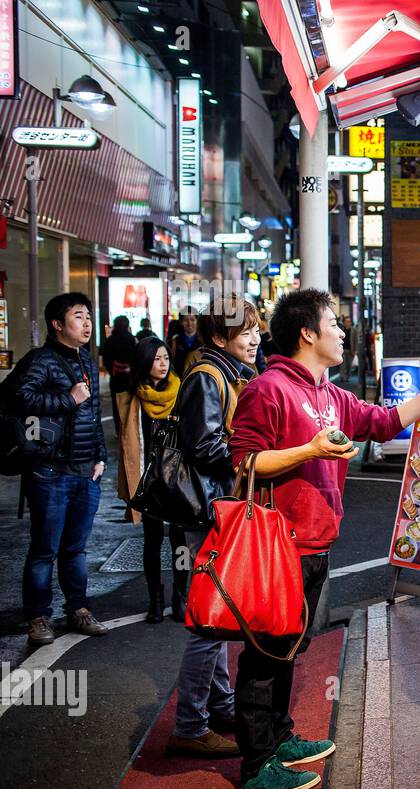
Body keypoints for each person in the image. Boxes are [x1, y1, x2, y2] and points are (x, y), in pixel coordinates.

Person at [227, 288, 420, 789]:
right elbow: (242, 463)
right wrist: (307, 449)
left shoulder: (329, 394)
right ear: (307, 332)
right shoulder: (269, 389)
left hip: (313, 544)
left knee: (289, 646)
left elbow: (384, 421)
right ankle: (257, 765)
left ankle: (279, 738)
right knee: (264, 653)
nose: (342, 330)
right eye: (333, 322)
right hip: (275, 546)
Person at [164, 296, 260, 758]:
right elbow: (206, 447)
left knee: (219, 617)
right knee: (208, 623)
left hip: (216, 509)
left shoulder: (227, 371)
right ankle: (190, 726)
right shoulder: (208, 375)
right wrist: (252, 459)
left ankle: (219, 708)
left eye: (257, 330)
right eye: (246, 332)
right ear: (220, 338)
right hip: (208, 511)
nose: (255, 339)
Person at [17, 293, 110, 645]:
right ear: (58, 324)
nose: (86, 324)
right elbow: (19, 398)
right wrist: (67, 399)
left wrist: (100, 456)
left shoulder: (85, 359)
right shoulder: (40, 360)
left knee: (76, 548)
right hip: (50, 471)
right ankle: (38, 618)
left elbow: (92, 414)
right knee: (44, 549)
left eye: (88, 317)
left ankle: (79, 609)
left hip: (85, 471)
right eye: (78, 316)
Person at [117, 336, 187, 623]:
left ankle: (180, 596)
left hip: (178, 478)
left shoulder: (181, 392)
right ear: (144, 362)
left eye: (166, 358)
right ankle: (155, 601)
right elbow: (124, 441)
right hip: (148, 481)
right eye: (157, 358)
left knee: (180, 540)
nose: (163, 364)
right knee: (152, 540)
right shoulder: (132, 397)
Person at [101, 315, 137, 438]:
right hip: (130, 378)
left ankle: (118, 429)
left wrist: (112, 371)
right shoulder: (132, 339)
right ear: (127, 326)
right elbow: (137, 358)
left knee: (116, 404)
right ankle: (129, 428)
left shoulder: (110, 340)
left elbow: (106, 359)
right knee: (130, 403)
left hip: (116, 377)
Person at [169, 308, 203, 372]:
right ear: (181, 322)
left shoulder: (203, 340)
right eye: (186, 320)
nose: (189, 323)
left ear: (197, 321)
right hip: (179, 379)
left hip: (198, 377)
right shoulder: (175, 341)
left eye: (192, 320)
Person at [339, 316, 354, 385]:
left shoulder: (354, 330)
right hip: (342, 349)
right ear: (344, 322)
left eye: (349, 322)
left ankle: (347, 377)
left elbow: (356, 341)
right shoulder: (341, 330)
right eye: (346, 321)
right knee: (342, 364)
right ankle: (342, 377)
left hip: (350, 350)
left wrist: (355, 351)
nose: (347, 323)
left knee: (349, 365)